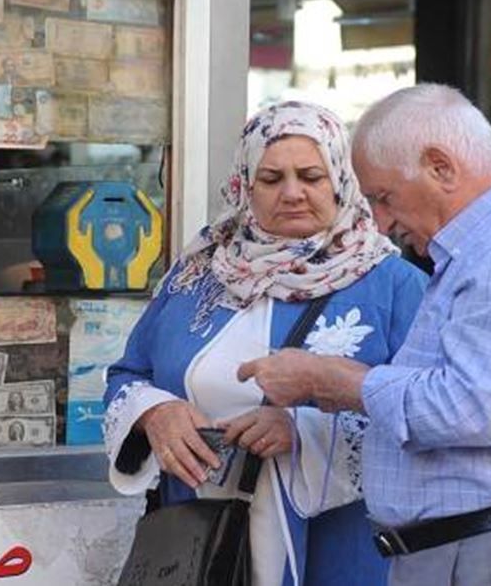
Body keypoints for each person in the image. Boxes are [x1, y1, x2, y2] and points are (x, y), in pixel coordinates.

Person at [238, 84, 491, 585]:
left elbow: (469, 409)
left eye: (384, 197)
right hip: (480, 551)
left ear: (440, 167)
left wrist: (335, 380)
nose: (381, 222)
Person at [103, 102, 427, 586]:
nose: (292, 193)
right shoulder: (197, 274)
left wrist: (305, 432)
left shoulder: (394, 285)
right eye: (272, 178)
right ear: (245, 184)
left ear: (341, 181)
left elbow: (432, 414)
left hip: (342, 549)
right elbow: (129, 374)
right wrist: (154, 414)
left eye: (311, 176)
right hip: (198, 547)